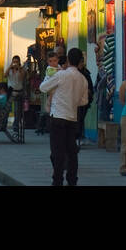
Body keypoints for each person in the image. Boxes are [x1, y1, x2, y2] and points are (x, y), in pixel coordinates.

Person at [40, 48, 89, 186]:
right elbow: (84, 101)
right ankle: (72, 180)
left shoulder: (61, 75)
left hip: (58, 116)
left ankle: (57, 181)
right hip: (72, 117)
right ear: (80, 62)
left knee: (58, 152)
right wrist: (73, 100)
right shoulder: (83, 79)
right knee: (72, 152)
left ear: (67, 60)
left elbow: (43, 87)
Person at [37, 50, 60, 135]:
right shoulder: (49, 69)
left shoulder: (59, 67)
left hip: (55, 90)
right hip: (50, 88)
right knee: (49, 102)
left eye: (54, 60)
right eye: (50, 61)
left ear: (58, 60)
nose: (53, 63)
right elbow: (52, 73)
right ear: (47, 62)